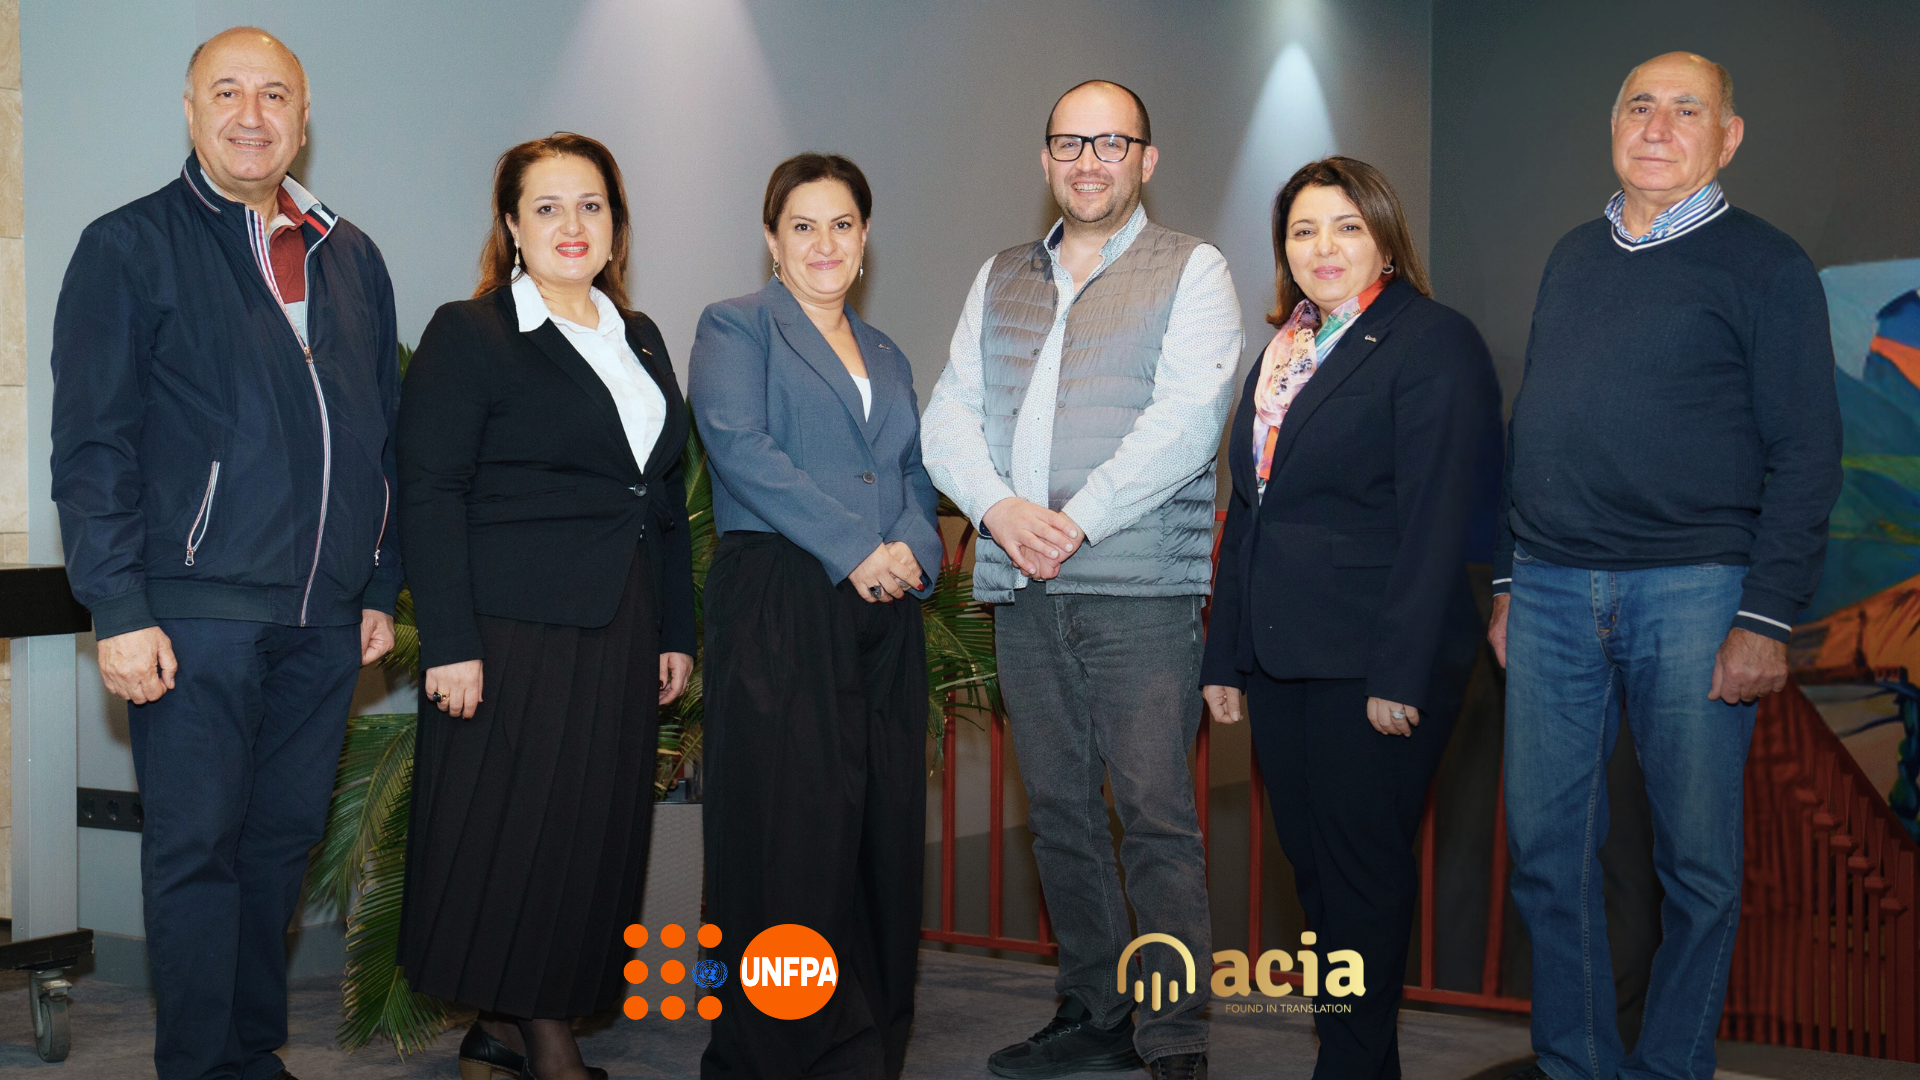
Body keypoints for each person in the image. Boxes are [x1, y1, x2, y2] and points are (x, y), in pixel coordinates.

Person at [46, 27, 398, 1080]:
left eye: (275, 94)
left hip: (324, 618)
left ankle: (251, 1054)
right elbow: (93, 445)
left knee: (278, 848)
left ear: (304, 116)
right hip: (192, 614)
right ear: (191, 110)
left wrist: (378, 582)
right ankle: (200, 1068)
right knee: (196, 853)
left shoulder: (351, 254)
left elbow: (381, 436)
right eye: (229, 92)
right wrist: (117, 607)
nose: (253, 114)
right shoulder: (128, 245)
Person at [1489, 53, 1842, 1080]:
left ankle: (1671, 1069)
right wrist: (1509, 580)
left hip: (1696, 593)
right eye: (1639, 105)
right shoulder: (1572, 254)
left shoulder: (1768, 265)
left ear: (1727, 138)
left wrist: (1766, 618)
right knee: (1547, 858)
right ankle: (1578, 1064)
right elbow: (1533, 427)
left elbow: (1807, 453)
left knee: (1697, 867)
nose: (1657, 125)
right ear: (1613, 126)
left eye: (1687, 110)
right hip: (1550, 590)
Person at [920, 80, 1242, 1080]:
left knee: (1153, 816)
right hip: (1023, 588)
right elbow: (949, 412)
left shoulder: (1192, 268)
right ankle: (1095, 1012)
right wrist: (998, 510)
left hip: (1137, 593)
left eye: (1111, 143)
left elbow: (1188, 421)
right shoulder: (1001, 276)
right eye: (1070, 143)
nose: (1089, 161)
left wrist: (1074, 520)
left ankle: (1175, 1034)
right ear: (1046, 159)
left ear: (1146, 159)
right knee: (1060, 814)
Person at [396, 133, 694, 1080]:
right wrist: (449, 641)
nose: (574, 224)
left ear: (616, 224)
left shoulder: (639, 336)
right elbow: (430, 492)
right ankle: (546, 1038)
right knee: (513, 830)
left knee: (588, 836)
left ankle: (500, 1026)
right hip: (509, 630)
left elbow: (660, 494)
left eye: (592, 205)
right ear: (512, 226)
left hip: (622, 624)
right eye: (549, 206)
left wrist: (675, 629)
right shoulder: (472, 333)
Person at [1199, 156, 1501, 1079]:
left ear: (1385, 238)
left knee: (1362, 877)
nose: (1322, 247)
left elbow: (1442, 519)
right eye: (1303, 230)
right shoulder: (1285, 351)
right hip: (1280, 656)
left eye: (1346, 227)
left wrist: (1399, 674)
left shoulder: (1433, 340)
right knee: (1315, 871)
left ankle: (1353, 1067)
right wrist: (1223, 655)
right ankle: (1356, 1056)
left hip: (1374, 661)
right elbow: (1251, 509)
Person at [691, 153, 941, 1080]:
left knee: (878, 827)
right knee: (788, 838)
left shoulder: (889, 353)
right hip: (782, 596)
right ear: (773, 239)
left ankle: (864, 1045)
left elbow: (913, 471)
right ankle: (777, 1051)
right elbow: (742, 449)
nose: (824, 243)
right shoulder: (737, 326)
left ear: (865, 238)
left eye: (842, 225)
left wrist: (914, 549)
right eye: (803, 226)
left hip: (886, 606)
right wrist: (857, 547)